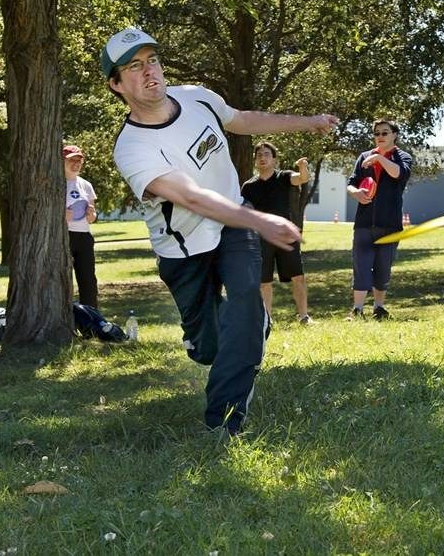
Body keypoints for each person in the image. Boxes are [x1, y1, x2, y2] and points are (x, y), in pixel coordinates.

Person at [104, 27, 338, 435]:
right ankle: (227, 339)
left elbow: (241, 120)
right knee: (210, 347)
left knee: (246, 301)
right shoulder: (132, 148)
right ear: (116, 84)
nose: (149, 72)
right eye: (134, 67)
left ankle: (224, 421)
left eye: (152, 60)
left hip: (234, 225)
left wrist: (309, 122)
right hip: (184, 252)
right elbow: (191, 198)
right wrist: (261, 220)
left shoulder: (196, 97)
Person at [345, 119, 413, 320]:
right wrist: (356, 193)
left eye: (385, 133)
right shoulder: (363, 157)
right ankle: (357, 309)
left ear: (394, 135)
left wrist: (379, 159)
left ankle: (379, 308)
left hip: (390, 224)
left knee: (383, 267)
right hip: (364, 223)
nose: (380, 137)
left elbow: (399, 173)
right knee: (361, 265)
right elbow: (351, 183)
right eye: (377, 134)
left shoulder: (403, 157)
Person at [241, 143, 313, 324]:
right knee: (264, 281)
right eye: (259, 155)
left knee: (298, 277)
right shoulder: (248, 186)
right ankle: (267, 319)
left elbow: (302, 179)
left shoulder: (284, 177)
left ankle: (304, 316)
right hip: (260, 238)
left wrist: (302, 167)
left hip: (285, 236)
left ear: (274, 159)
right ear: (255, 160)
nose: (262, 158)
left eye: (266, 154)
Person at [64, 144, 99, 309]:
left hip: (84, 237)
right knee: (64, 280)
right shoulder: (56, 184)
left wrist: (92, 215)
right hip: (65, 237)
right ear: (62, 162)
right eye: (72, 160)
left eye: (79, 160)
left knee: (88, 280)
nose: (76, 163)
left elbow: (92, 217)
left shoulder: (86, 185)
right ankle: (66, 317)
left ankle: (92, 319)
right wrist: (61, 217)